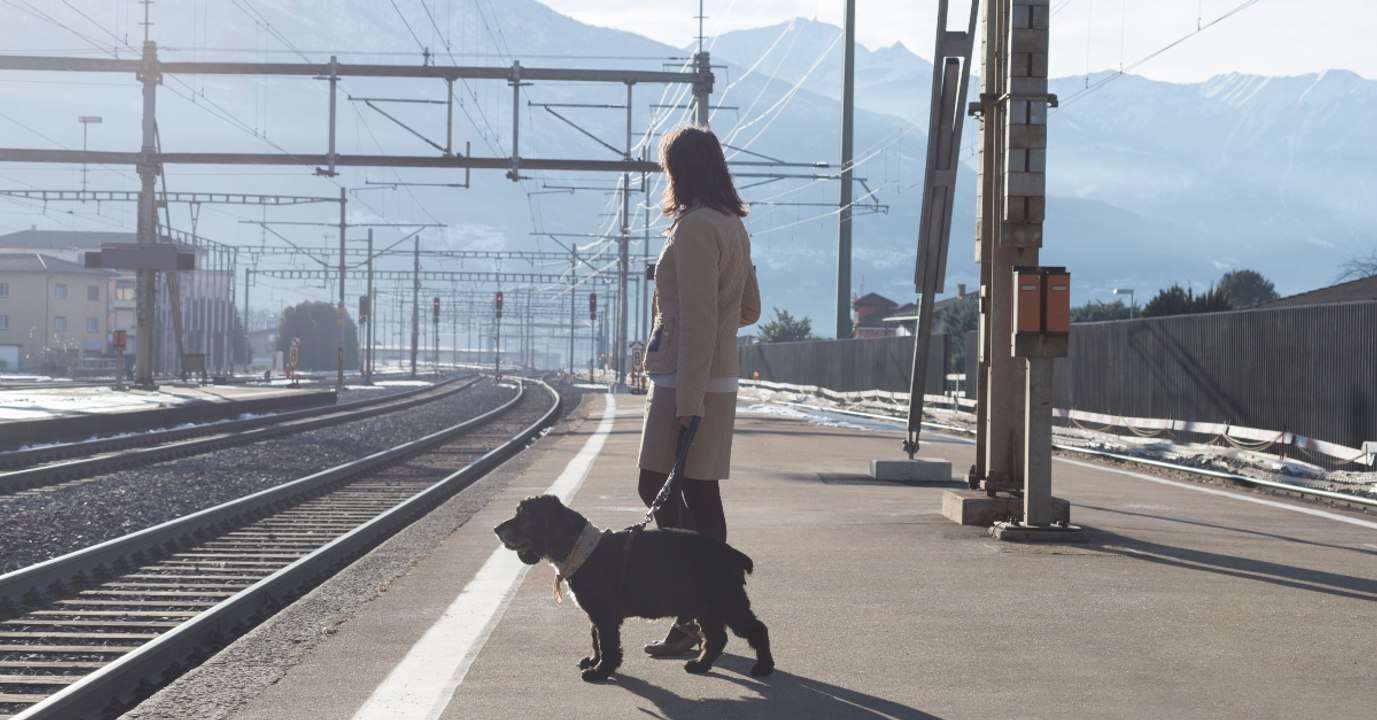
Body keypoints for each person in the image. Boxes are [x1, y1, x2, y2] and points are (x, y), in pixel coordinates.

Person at [636, 123, 760, 656]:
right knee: (701, 494)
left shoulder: (692, 229)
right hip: (718, 377)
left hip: (684, 382)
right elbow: (748, 309)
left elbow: (699, 321)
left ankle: (693, 610)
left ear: (679, 171)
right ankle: (711, 612)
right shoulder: (732, 224)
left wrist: (688, 402)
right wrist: (709, 339)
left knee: (654, 487)